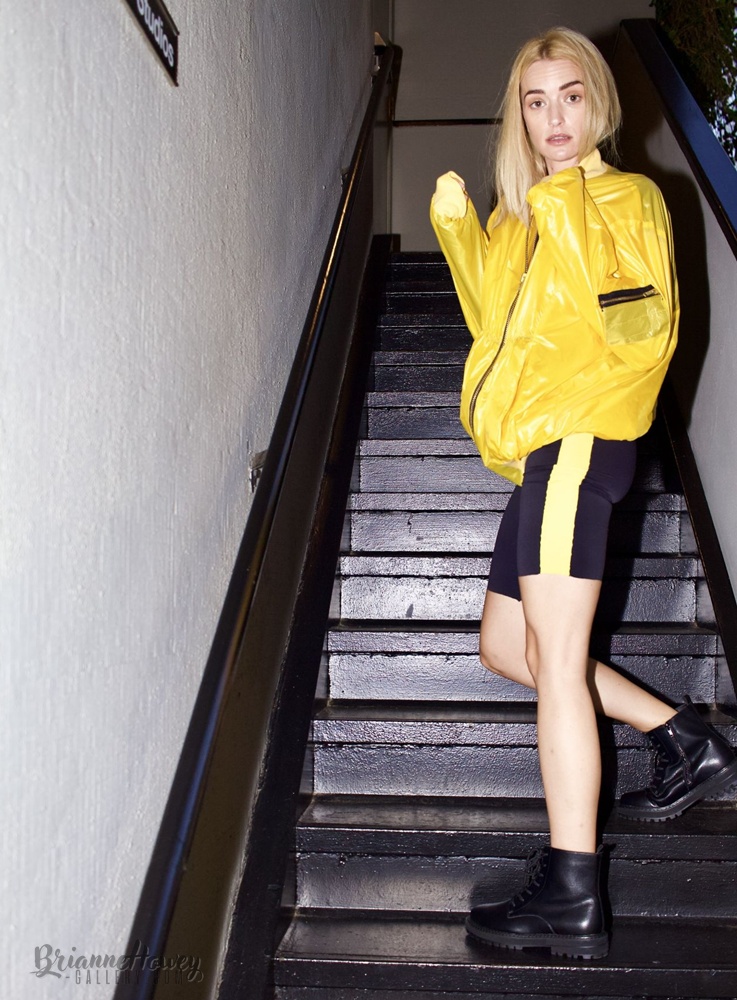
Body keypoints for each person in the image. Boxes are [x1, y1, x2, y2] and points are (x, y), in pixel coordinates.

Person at [430, 26, 737, 961]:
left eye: (569, 96)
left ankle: (570, 890)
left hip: (582, 441)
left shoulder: (627, 197)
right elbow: (494, 326)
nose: (553, 117)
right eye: (535, 101)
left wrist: (565, 211)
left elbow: (642, 329)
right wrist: (464, 235)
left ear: (596, 102)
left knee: (556, 666)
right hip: (541, 454)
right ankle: (683, 735)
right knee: (504, 647)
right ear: (517, 117)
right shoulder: (519, 215)